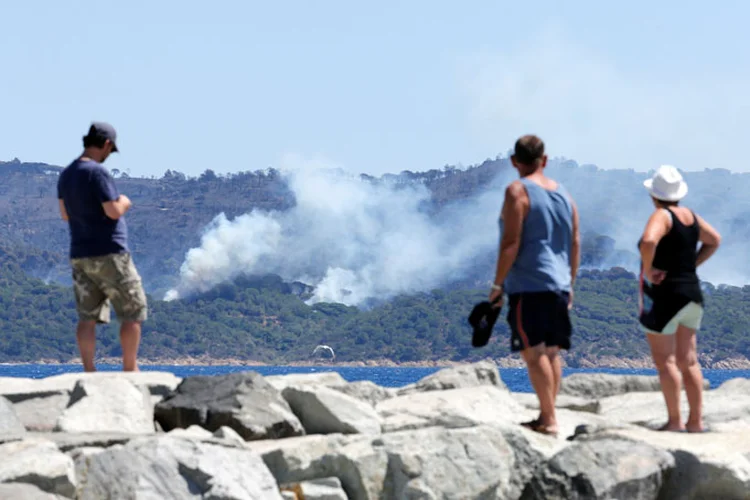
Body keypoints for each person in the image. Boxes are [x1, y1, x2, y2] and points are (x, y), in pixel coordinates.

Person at [489, 134, 580, 436]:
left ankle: (549, 419)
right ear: (545, 159)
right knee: (551, 351)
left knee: (533, 351)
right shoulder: (564, 194)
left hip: (529, 283)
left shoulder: (517, 190)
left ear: (514, 161)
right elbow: (575, 240)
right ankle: (547, 413)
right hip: (559, 283)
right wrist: (571, 281)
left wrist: (498, 284)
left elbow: (511, 241)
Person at [57, 122, 148, 372]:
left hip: (80, 253)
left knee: (87, 317)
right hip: (110, 252)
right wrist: (125, 202)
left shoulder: (67, 174)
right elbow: (112, 211)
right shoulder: (97, 173)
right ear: (106, 144)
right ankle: (130, 369)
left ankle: (89, 371)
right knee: (132, 311)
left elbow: (65, 214)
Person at [638, 165, 721, 433]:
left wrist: (649, 269)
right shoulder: (690, 216)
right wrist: (692, 265)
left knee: (666, 362)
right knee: (690, 361)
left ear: (654, 195)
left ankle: (675, 422)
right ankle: (696, 422)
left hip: (666, 295)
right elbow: (714, 240)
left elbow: (649, 242)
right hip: (692, 294)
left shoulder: (662, 216)